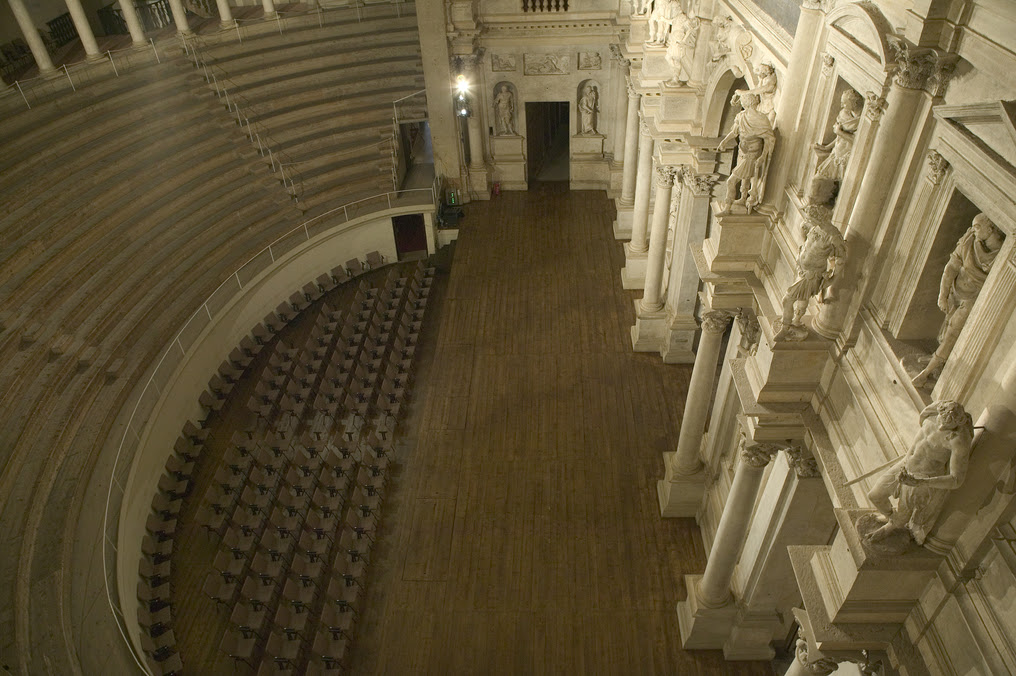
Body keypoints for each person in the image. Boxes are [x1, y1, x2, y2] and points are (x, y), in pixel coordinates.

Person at [913, 214, 1005, 386]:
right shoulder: (970, 239)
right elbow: (951, 268)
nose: (974, 230)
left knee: (952, 335)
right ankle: (937, 361)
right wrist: (943, 294)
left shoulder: (1001, 256)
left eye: (977, 226)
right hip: (957, 291)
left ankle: (925, 374)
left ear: (990, 228)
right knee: (946, 329)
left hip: (972, 301)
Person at [864, 400, 974, 545]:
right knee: (875, 495)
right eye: (941, 419)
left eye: (948, 425)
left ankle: (891, 527)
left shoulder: (959, 440)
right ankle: (892, 517)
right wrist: (908, 456)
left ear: (958, 423)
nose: (941, 427)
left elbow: (956, 480)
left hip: (922, 478)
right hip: (905, 464)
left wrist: (921, 482)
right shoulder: (932, 412)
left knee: (903, 515)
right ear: (940, 411)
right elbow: (921, 419)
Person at [775, 216, 845, 341]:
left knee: (787, 299)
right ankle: (796, 321)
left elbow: (841, 258)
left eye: (812, 217)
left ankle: (785, 329)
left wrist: (834, 278)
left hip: (811, 276)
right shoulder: (815, 226)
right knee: (803, 297)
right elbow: (805, 230)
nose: (809, 220)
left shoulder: (833, 237)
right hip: (803, 270)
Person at [717, 91, 775, 212]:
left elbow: (769, 139)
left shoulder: (761, 119)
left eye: (743, 101)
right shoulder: (741, 116)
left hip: (752, 154)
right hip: (743, 151)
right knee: (745, 177)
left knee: (731, 181)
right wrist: (724, 142)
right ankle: (743, 198)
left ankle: (727, 207)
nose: (742, 103)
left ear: (747, 102)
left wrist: (763, 156)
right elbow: (734, 132)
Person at [808, 89, 863, 204]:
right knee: (816, 179)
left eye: (844, 103)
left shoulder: (861, 121)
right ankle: (811, 204)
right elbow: (839, 138)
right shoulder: (844, 114)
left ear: (854, 103)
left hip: (847, 158)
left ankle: (834, 210)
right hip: (837, 154)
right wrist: (827, 148)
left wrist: (840, 132)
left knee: (845, 188)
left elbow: (859, 142)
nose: (842, 105)